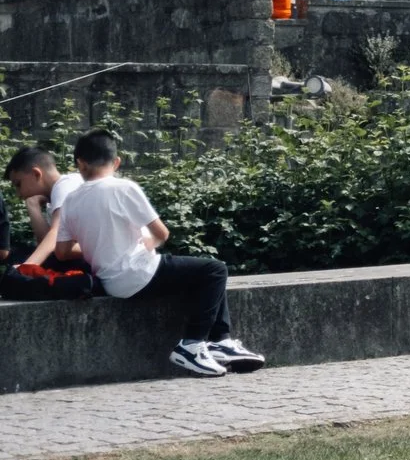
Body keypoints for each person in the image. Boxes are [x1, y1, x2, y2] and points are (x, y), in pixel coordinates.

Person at [26, 130, 262, 377]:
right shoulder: (123, 187)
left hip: (110, 281)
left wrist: (98, 243)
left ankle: (221, 341)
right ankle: (192, 345)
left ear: (80, 164)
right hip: (139, 273)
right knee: (215, 270)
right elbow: (162, 233)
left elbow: (62, 252)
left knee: (199, 273)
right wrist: (149, 242)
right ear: (117, 162)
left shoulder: (71, 200)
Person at [5, 146, 84, 262]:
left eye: (18, 184)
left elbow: (56, 238)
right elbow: (48, 248)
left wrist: (27, 267)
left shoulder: (65, 186)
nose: (19, 194)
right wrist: (33, 207)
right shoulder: (53, 200)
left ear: (36, 174)